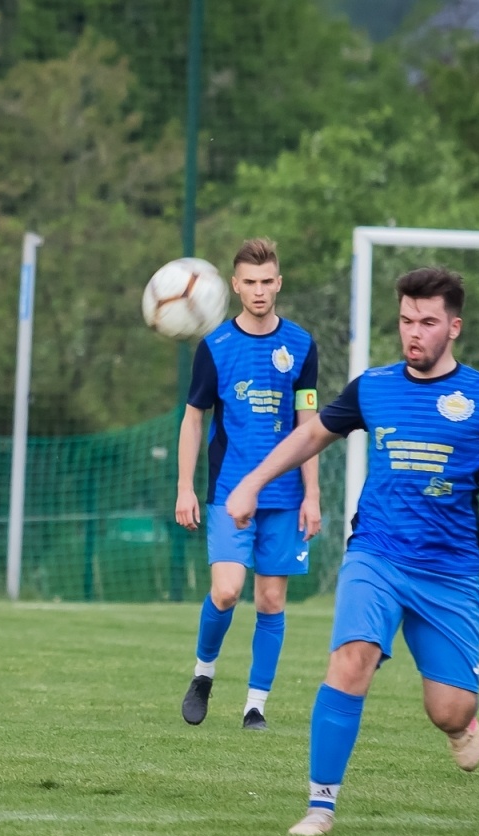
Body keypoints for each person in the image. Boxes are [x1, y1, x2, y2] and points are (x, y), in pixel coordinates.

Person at [225, 267, 479, 836]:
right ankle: (320, 805)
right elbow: (312, 434)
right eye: (407, 320)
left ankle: (462, 723)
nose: (414, 332)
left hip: (449, 573)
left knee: (448, 710)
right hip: (376, 555)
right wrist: (253, 482)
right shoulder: (374, 387)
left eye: (428, 322)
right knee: (351, 658)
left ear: (454, 327)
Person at [175, 238, 322, 731]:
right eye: (250, 283)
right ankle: (203, 674)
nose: (259, 291)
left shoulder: (301, 345)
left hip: (285, 497)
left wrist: (313, 496)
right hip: (230, 490)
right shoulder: (215, 347)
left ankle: (255, 705)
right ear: (235, 286)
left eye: (267, 282)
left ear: (278, 283)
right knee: (226, 591)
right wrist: (185, 487)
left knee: (270, 601)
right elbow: (193, 420)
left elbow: (309, 424)